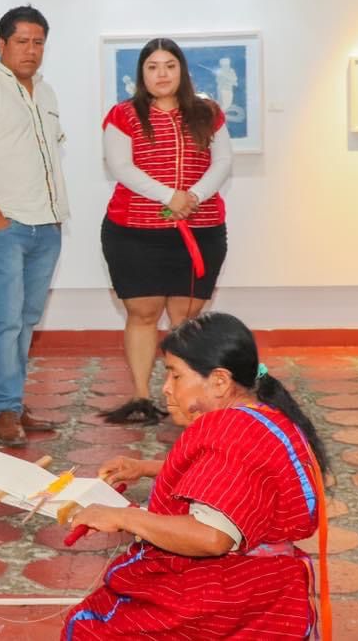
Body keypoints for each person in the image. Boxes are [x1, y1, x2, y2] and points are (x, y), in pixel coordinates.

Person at [64, 312, 329, 638]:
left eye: (175, 375)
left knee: (93, 628)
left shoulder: (234, 432)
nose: (165, 389)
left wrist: (123, 517)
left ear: (219, 381)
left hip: (233, 589)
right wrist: (146, 467)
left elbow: (212, 537)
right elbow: (231, 474)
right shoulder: (261, 416)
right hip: (265, 581)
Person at [98, 38, 233, 425]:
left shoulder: (208, 112)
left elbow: (223, 161)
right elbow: (121, 167)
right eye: (153, 67)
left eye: (170, 66)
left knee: (185, 320)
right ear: (141, 74)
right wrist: (169, 196)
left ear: (182, 71)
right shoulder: (123, 115)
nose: (162, 74)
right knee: (142, 314)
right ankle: (142, 397)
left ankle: (186, 399)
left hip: (200, 230)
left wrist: (194, 196)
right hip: (134, 233)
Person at [0, 5, 68, 447]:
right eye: (22, 41)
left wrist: (54, 219)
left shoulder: (47, 92)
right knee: (6, 321)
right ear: (2, 44)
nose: (31, 50)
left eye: (38, 42)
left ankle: (11, 402)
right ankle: (5, 408)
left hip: (48, 225)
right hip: (8, 227)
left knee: (26, 320)